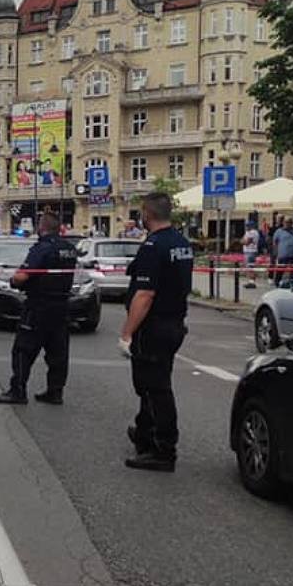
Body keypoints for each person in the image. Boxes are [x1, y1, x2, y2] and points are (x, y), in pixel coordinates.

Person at [119, 192, 194, 472]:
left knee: (154, 389)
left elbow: (145, 294)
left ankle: (163, 449)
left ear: (147, 214)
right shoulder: (181, 243)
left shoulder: (153, 246)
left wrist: (127, 332)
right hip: (175, 322)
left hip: (154, 326)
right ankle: (143, 432)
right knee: (155, 382)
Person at [0, 212, 78, 406]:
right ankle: (55, 392)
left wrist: (14, 281)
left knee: (23, 350)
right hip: (62, 307)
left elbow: (23, 276)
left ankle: (18, 391)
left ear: (42, 227)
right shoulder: (69, 249)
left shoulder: (42, 249)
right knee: (58, 352)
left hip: (38, 307)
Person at [272, 218, 293, 288]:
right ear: (283, 223)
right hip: (283, 255)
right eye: (286, 222)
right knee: (280, 270)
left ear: (292, 223)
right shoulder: (279, 231)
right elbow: (275, 242)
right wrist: (276, 253)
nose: (287, 224)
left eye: (289, 222)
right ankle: (277, 282)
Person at [240, 222, 260, 289]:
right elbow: (243, 240)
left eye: (247, 226)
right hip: (250, 251)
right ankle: (251, 281)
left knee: (250, 267)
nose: (246, 227)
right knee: (250, 267)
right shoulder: (250, 232)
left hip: (250, 251)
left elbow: (246, 242)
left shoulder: (252, 232)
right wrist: (243, 241)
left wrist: (243, 241)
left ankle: (252, 282)